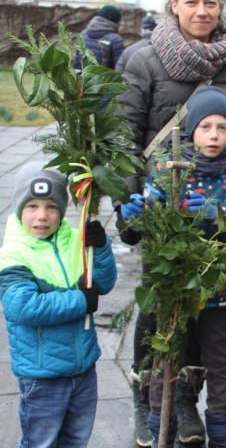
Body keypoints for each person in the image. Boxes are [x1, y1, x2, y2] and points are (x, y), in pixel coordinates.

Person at [117, 0, 226, 447]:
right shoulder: (142, 60)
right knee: (159, 312)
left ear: (221, 9)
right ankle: (147, 400)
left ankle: (184, 401)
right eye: (193, 1)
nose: (202, 10)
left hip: (216, 213)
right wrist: (133, 210)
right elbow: (123, 138)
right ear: (174, 5)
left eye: (211, 2)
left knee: (207, 314)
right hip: (163, 211)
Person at [0, 165, 117, 447]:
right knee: (42, 441)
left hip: (83, 367)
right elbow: (25, 307)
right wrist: (80, 300)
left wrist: (99, 249)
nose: (42, 215)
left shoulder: (75, 241)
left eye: (51, 206)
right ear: (19, 210)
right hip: (43, 376)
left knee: (76, 438)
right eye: (32, 206)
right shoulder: (14, 254)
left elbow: (102, 283)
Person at [74, 4, 125, 70]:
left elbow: (76, 61)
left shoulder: (83, 34)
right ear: (115, 21)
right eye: (120, 21)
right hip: (105, 80)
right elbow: (120, 68)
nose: (122, 23)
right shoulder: (115, 40)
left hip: (83, 78)